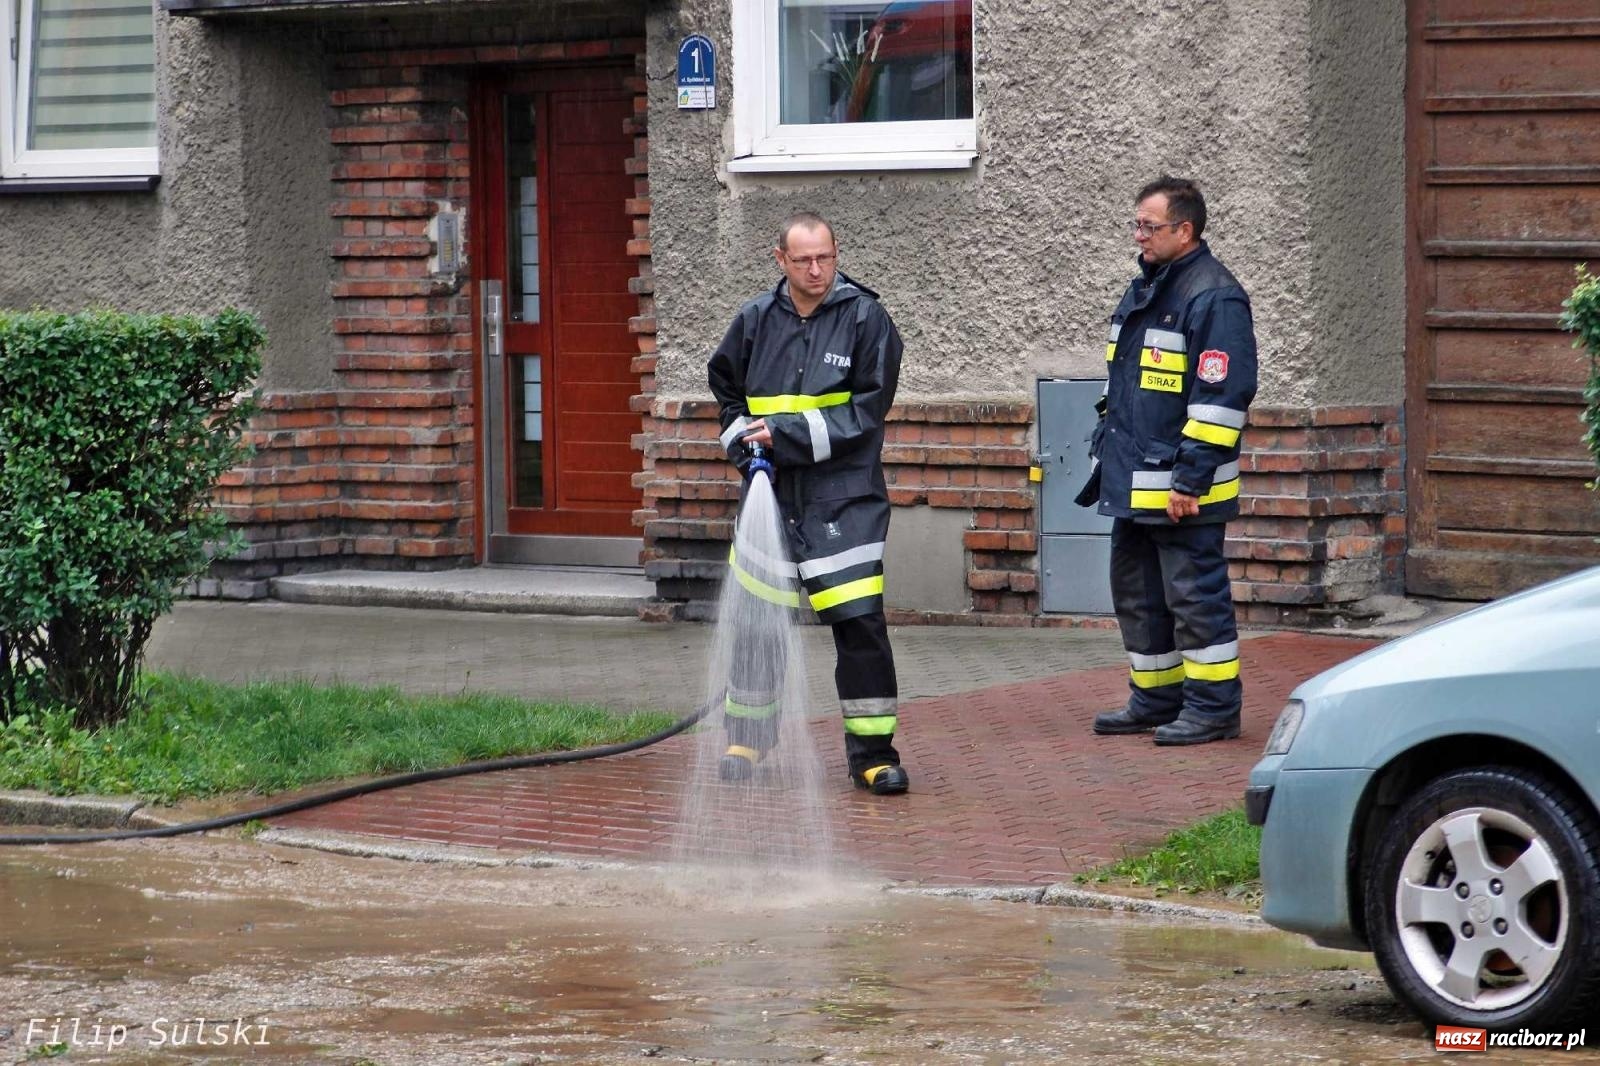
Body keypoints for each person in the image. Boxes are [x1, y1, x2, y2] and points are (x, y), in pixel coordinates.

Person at [707, 211, 909, 794]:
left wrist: (785, 436)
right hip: (771, 497)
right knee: (757, 625)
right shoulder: (753, 320)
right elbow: (725, 396)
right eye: (803, 260)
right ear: (781, 261)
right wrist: (743, 447)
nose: (817, 269)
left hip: (844, 501)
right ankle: (747, 738)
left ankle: (873, 756)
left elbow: (866, 413)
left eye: (825, 257)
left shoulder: (867, 319)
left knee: (860, 627)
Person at [1075, 176, 1258, 745]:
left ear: (1186, 229)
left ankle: (1212, 709)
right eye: (1137, 224)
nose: (1139, 235)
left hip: (1182, 489)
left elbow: (1220, 399)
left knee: (1195, 599)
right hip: (1134, 479)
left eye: (1149, 226)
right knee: (1139, 595)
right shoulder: (1150, 286)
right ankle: (1155, 699)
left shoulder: (1214, 296)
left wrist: (1190, 479)